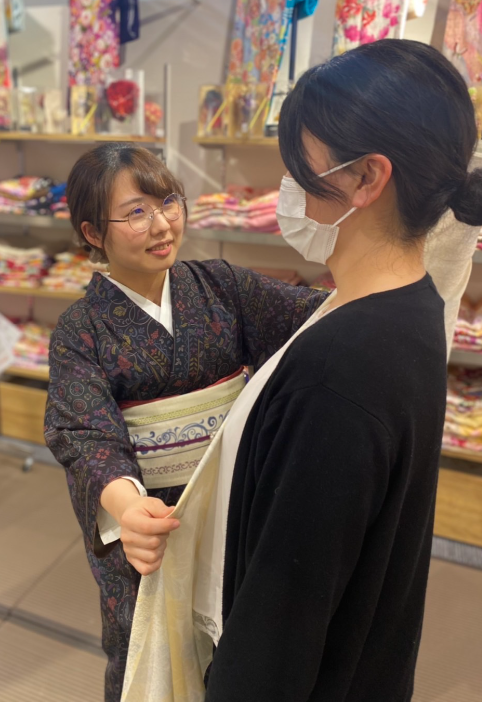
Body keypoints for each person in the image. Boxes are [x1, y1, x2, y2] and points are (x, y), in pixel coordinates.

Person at [201, 40, 482, 701]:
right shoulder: (411, 306)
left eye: (301, 164)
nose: (289, 185)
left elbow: (281, 618)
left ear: (366, 178)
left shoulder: (342, 366)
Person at [44, 144, 327, 701]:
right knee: (145, 660)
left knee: (241, 646)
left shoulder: (220, 286)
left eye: (168, 201)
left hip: (233, 507)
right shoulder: (80, 330)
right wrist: (129, 510)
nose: (162, 224)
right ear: (92, 233)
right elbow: (86, 434)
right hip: (151, 522)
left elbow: (312, 322)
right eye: (136, 212)